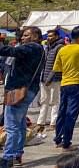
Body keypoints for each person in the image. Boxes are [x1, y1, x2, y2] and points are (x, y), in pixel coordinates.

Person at [0, 27, 44, 166]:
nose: (22, 38)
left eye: (26, 35)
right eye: (23, 35)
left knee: (11, 125)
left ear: (35, 36)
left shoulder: (32, 47)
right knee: (19, 125)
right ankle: (17, 153)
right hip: (26, 89)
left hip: (19, 90)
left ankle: (7, 158)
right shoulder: (38, 49)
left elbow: (10, 51)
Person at [37, 28, 64, 132]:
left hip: (55, 78)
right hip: (44, 77)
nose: (49, 38)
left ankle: (54, 122)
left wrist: (50, 78)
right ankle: (41, 122)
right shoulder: (47, 47)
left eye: (51, 36)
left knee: (54, 101)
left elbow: (57, 65)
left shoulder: (59, 47)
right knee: (44, 100)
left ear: (56, 36)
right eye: (48, 36)